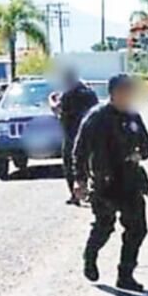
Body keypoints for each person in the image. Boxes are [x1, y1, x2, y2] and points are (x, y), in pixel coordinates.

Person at [73, 74, 148, 292]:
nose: (129, 95)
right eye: (126, 91)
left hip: (131, 180)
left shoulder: (133, 116)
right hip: (105, 182)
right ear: (115, 92)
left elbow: (146, 145)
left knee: (138, 229)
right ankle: (90, 255)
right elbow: (79, 151)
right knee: (105, 226)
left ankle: (125, 275)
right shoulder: (97, 117)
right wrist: (79, 180)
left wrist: (140, 154)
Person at [56, 69, 99, 206]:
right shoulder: (90, 93)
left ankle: (75, 195)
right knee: (90, 165)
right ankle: (92, 193)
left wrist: (52, 100)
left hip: (71, 135)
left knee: (70, 166)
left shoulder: (66, 94)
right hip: (90, 135)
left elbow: (58, 111)